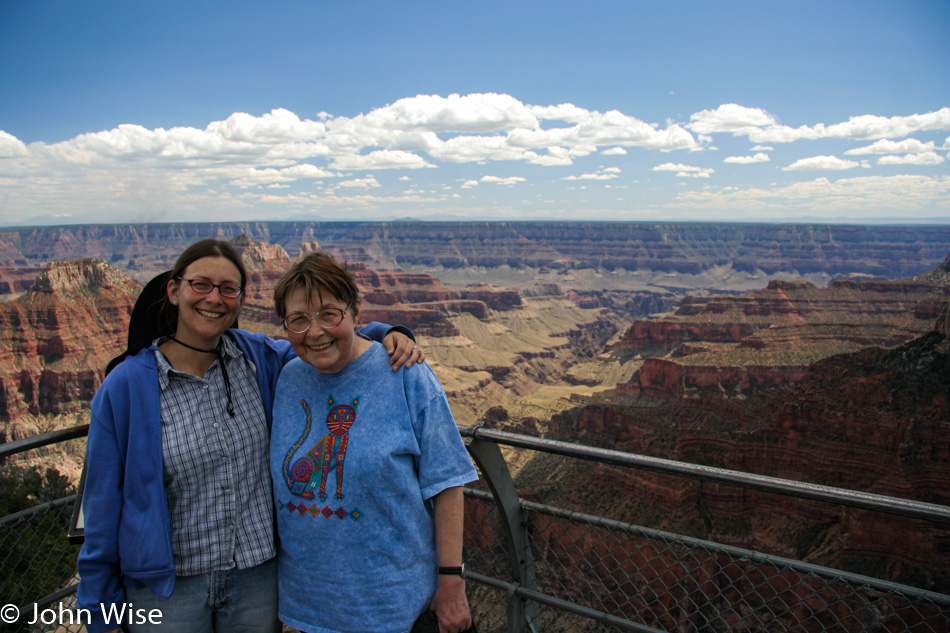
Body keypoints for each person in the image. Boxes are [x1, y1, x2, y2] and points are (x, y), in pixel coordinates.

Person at [76, 239, 424, 633]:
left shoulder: (259, 359)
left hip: (257, 581)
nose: (214, 298)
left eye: (228, 288)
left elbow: (323, 339)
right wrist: (99, 609)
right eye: (201, 285)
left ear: (241, 299)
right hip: (168, 590)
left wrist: (387, 332)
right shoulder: (125, 387)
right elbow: (102, 504)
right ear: (174, 290)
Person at [269, 251, 478, 633]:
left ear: (355, 311)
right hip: (305, 611)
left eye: (329, 314)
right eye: (298, 320)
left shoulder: (406, 374)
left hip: (393, 609)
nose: (314, 332)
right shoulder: (287, 379)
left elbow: (447, 482)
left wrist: (451, 580)